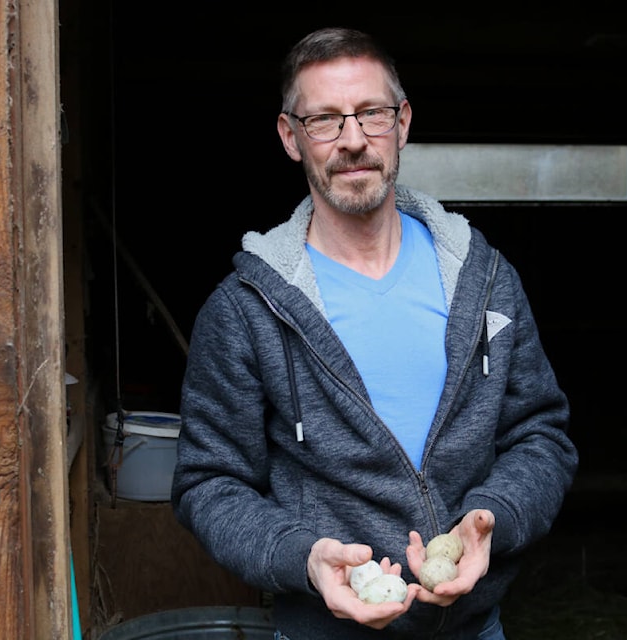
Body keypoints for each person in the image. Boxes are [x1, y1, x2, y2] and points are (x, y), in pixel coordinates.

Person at [171, 26, 578, 640]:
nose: (354, 140)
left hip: (475, 627)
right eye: (326, 120)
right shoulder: (246, 311)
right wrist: (302, 557)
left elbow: (541, 435)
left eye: (372, 114)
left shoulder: (486, 281)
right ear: (290, 136)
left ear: (404, 122)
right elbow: (210, 481)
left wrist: (495, 516)